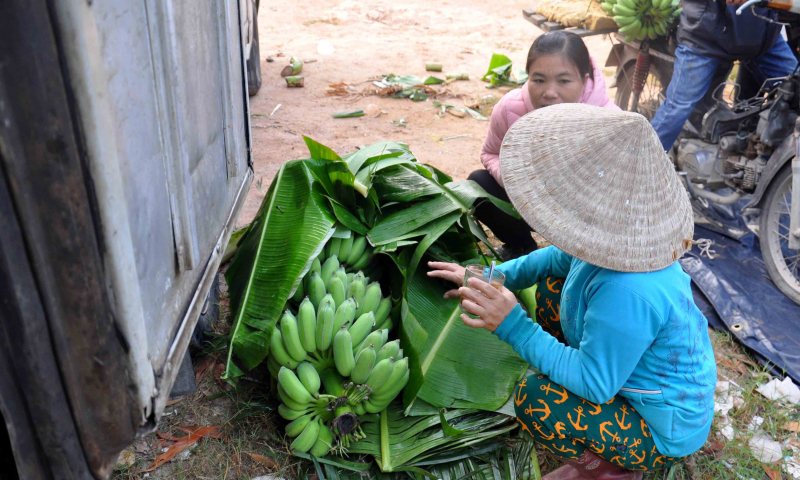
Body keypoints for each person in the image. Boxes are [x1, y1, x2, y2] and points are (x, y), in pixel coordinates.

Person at [430, 104, 716, 480]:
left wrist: (514, 325)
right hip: (629, 376)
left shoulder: (627, 291)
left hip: (658, 426)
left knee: (536, 399)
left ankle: (606, 471)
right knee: (553, 287)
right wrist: (491, 276)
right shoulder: (616, 239)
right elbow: (552, 260)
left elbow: (596, 385)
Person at [469, 31, 620, 262]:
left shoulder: (610, 122)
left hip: (581, 215)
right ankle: (522, 247)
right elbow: (490, 153)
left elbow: (620, 193)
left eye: (564, 81)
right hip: (527, 204)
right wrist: (515, 181)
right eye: (538, 80)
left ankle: (576, 262)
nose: (549, 93)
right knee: (478, 185)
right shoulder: (510, 108)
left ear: (585, 79)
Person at [650, 0, 799, 152]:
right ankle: (638, 167)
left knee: (796, 91)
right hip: (706, 37)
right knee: (677, 109)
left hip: (760, 37)